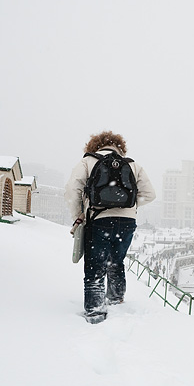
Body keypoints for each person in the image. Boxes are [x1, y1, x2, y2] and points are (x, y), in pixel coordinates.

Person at [64, 131, 156, 321]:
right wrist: (128, 205)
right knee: (116, 261)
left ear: (94, 146)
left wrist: (79, 215)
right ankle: (116, 301)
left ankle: (95, 312)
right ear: (119, 146)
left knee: (95, 267)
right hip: (127, 223)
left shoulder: (88, 161)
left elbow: (73, 190)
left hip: (99, 220)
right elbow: (150, 194)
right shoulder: (131, 164)